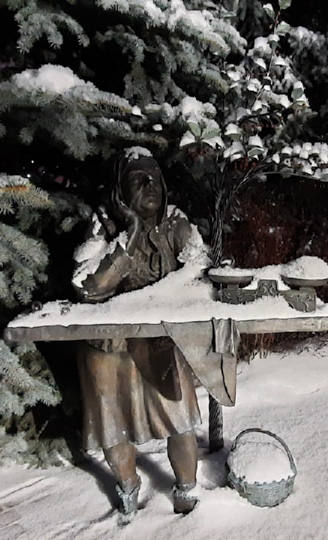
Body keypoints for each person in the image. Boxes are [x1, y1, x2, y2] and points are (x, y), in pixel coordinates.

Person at [73, 151, 201, 520]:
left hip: (160, 341)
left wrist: (159, 299)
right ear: (119, 191)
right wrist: (127, 233)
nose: (149, 186)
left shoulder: (176, 222)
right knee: (112, 427)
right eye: (137, 179)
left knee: (181, 419)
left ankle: (187, 490)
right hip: (109, 347)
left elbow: (199, 270)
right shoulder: (103, 224)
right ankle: (128, 487)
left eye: (154, 178)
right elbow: (88, 285)